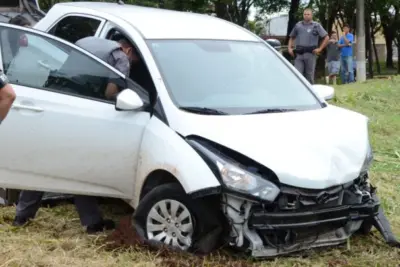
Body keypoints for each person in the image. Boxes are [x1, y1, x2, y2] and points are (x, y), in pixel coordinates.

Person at [12, 36, 140, 234]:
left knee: (44, 161)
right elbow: (110, 92)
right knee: (80, 167)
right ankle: (92, 223)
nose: (130, 63)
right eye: (134, 62)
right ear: (129, 50)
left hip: (55, 102)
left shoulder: (87, 41)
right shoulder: (120, 57)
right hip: (80, 110)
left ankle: (22, 217)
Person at [75, 35, 139, 100]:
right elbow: (109, 93)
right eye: (132, 62)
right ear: (129, 51)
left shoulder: (88, 41)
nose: (130, 66)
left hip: (69, 86)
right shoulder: (123, 59)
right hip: (84, 95)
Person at [288, 8, 329, 84]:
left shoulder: (316, 25)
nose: (306, 16)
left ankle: (310, 92)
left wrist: (320, 49)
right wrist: (289, 48)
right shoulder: (298, 25)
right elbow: (292, 37)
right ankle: (298, 92)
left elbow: (326, 38)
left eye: (308, 14)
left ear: (311, 15)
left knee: (309, 76)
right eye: (305, 14)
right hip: (299, 54)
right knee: (297, 74)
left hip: (310, 54)